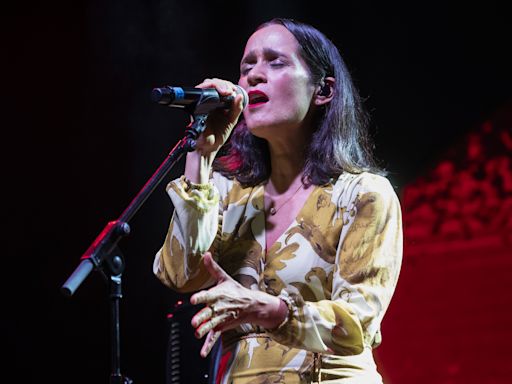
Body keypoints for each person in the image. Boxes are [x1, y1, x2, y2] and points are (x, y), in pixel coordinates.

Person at [153, 17, 403, 383]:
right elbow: (179, 275)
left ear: (324, 90)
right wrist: (200, 157)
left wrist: (270, 309)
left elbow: (360, 321)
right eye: (247, 65)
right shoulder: (225, 195)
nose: (253, 75)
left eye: (275, 61)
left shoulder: (363, 194)